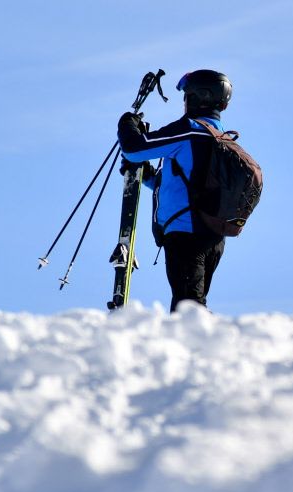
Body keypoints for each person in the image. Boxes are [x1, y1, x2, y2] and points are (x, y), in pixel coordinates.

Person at [117, 69, 233, 312]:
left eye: (186, 95)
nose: (183, 101)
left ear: (198, 97)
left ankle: (200, 347)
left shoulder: (189, 130)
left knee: (188, 308)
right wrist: (147, 175)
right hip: (213, 237)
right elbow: (182, 183)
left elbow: (134, 148)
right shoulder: (220, 138)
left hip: (186, 234)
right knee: (191, 303)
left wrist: (127, 123)